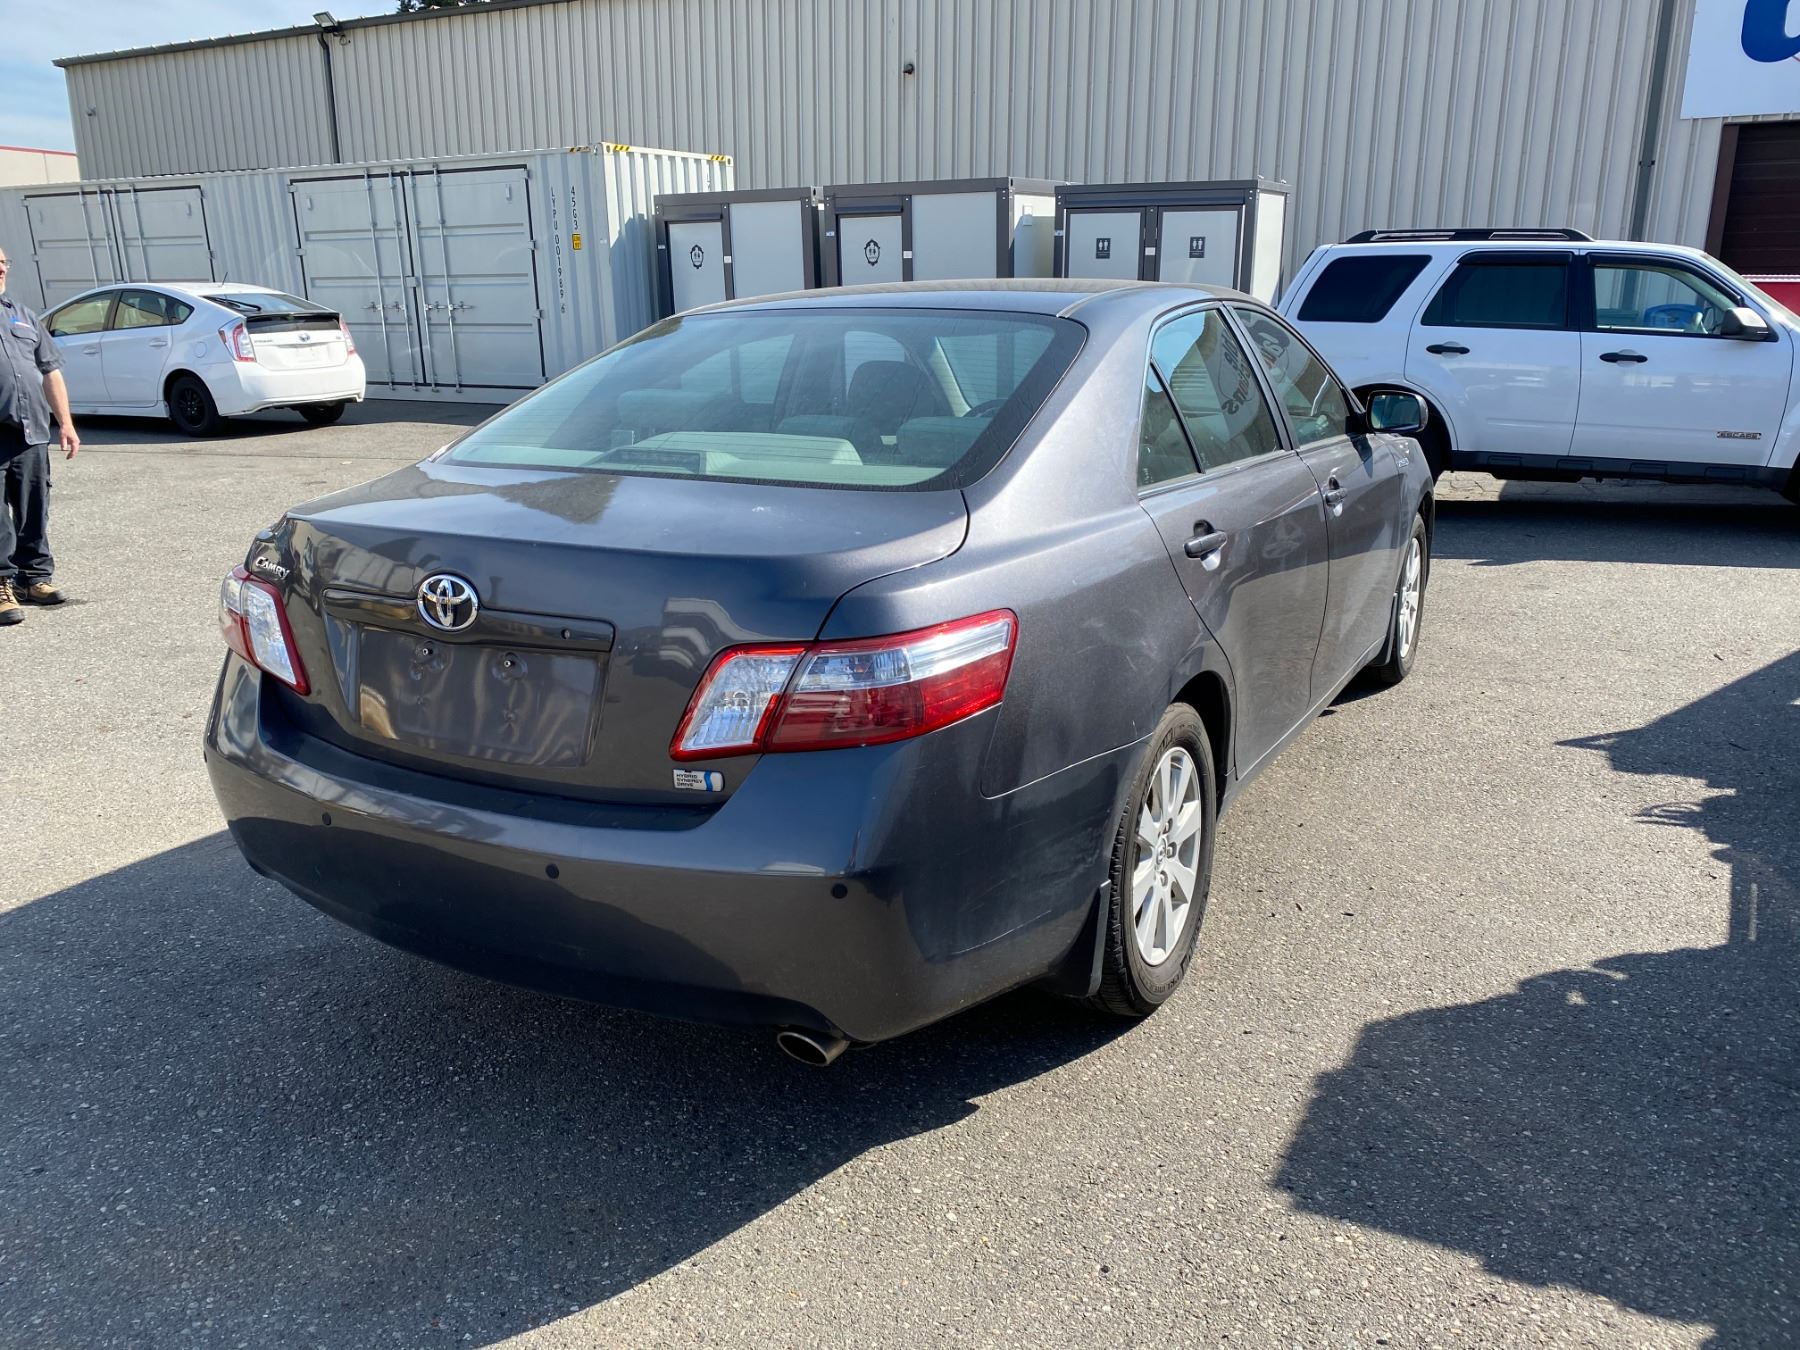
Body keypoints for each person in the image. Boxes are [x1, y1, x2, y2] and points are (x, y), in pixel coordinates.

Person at [0, 246, 79, 627]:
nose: (0, 270)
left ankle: (33, 578)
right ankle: (1, 584)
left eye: (3, 263)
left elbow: (50, 371)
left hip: (31, 430)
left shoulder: (23, 315)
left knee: (34, 508)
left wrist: (65, 422)